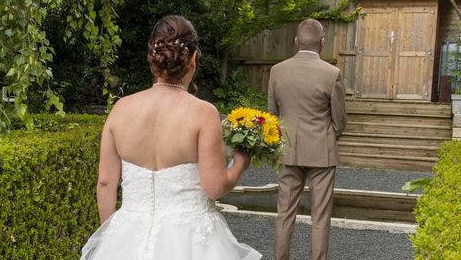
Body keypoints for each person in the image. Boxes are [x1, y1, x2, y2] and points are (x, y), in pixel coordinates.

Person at [81, 15, 262, 260]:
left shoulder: (121, 109)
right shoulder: (203, 113)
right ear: (194, 59)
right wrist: (240, 164)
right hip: (190, 241)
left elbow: (105, 183)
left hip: (127, 236)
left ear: (152, 59)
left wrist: (111, 236)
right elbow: (214, 187)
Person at [267, 19, 347, 260]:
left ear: (296, 42)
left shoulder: (277, 70)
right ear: (322, 43)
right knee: (320, 216)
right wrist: (328, 135)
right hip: (322, 151)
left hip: (288, 149)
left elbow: (272, 114)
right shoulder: (332, 73)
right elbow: (340, 119)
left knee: (284, 213)